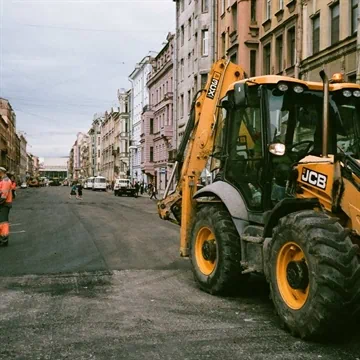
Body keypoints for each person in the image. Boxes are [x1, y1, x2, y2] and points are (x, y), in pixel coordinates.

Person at [0, 167, 13, 246]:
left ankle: (4, 239)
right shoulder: (3, 181)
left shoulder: (5, 181)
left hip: (4, 204)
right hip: (3, 204)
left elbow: (3, 196)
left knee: (3, 222)